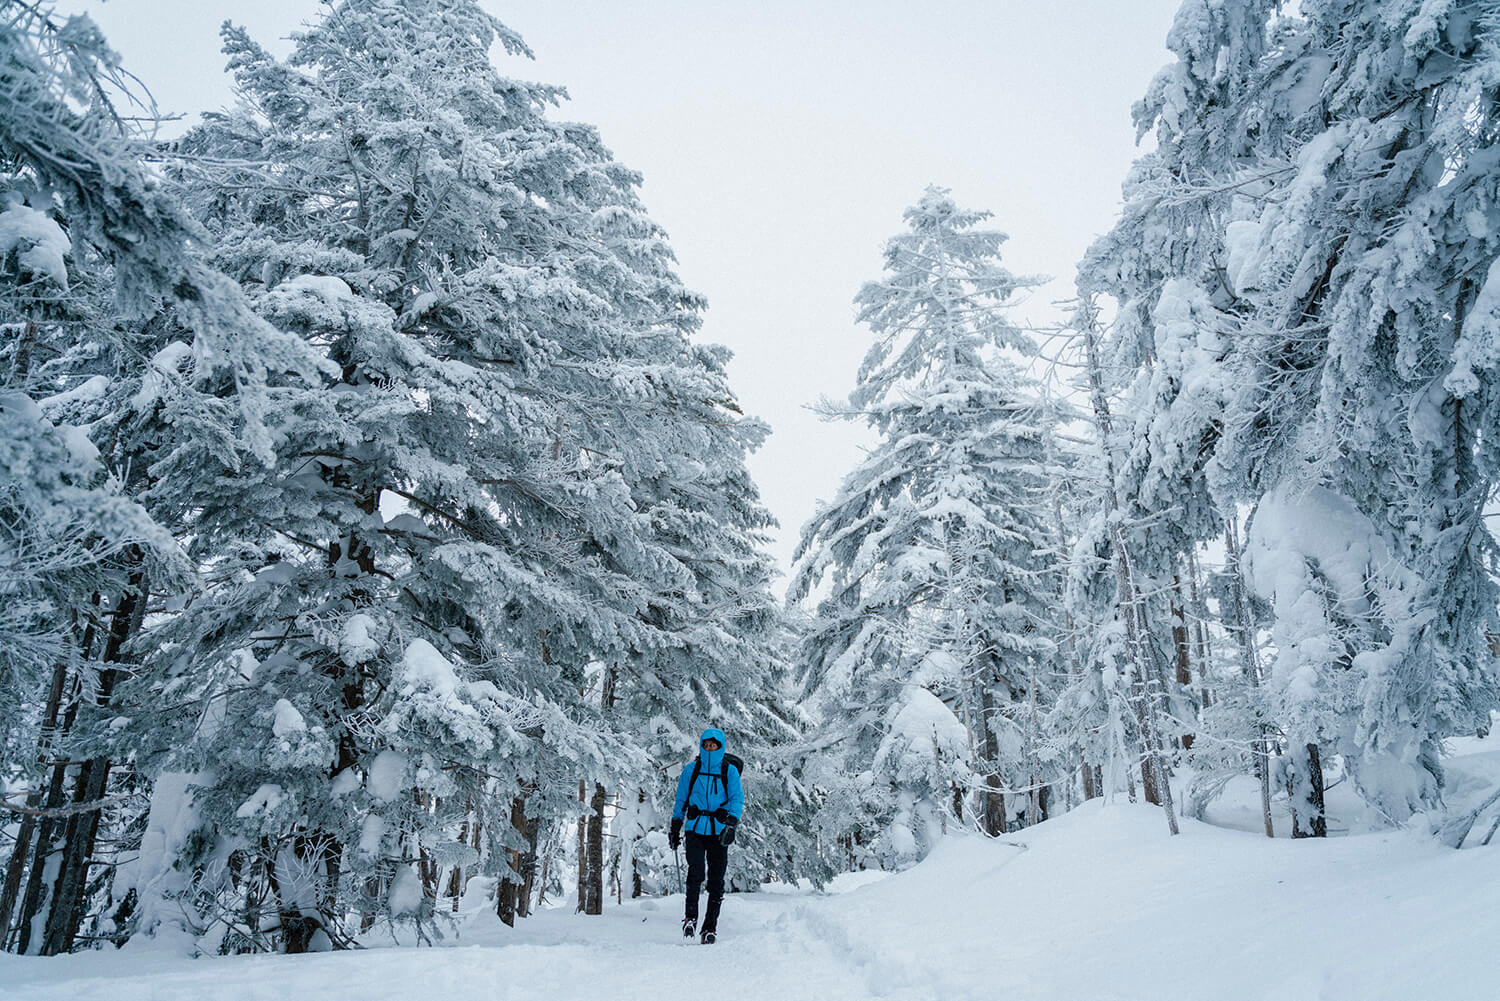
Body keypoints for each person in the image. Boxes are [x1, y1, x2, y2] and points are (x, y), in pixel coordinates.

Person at [668, 727, 742, 944]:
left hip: (719, 831)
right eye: (707, 744)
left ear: (720, 747)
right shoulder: (692, 770)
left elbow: (737, 799)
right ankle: (690, 919)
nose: (710, 748)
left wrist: (731, 823)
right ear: (701, 745)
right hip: (695, 828)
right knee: (696, 872)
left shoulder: (729, 772)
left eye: (714, 745)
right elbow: (681, 799)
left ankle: (710, 928)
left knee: (716, 880)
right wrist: (675, 826)